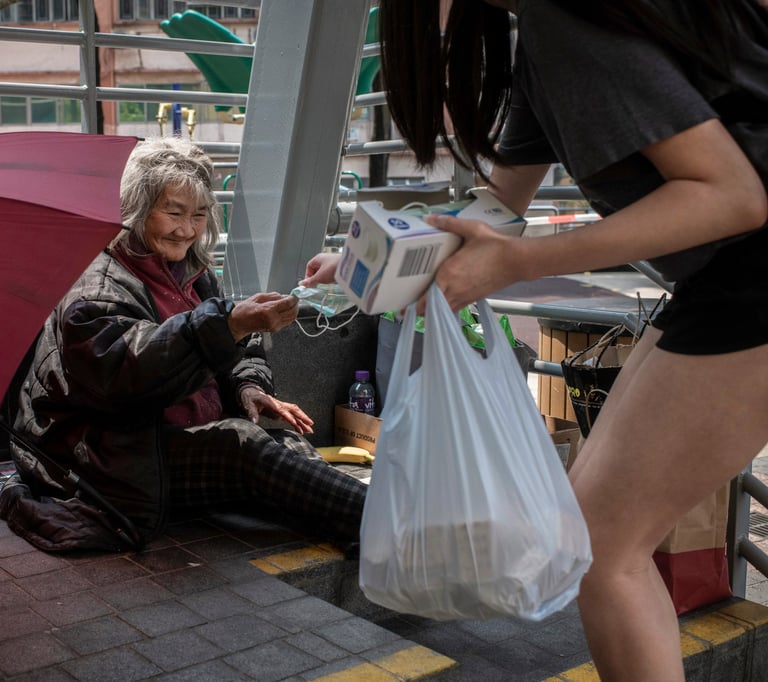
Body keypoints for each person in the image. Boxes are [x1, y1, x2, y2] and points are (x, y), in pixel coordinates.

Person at [302, 1, 768, 679]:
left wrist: (522, 261)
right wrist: (357, 270)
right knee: (602, 540)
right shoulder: (549, 40)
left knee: (605, 552)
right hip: (725, 283)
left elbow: (733, 196)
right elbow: (496, 210)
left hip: (748, 278)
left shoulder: (567, 23)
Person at [0, 136, 366, 555]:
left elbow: (234, 348)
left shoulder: (191, 268)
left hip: (173, 436)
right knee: (242, 447)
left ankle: (357, 528)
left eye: (199, 215)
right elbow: (133, 370)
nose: (187, 229)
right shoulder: (95, 288)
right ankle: (389, 529)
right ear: (135, 210)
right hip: (109, 457)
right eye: (172, 212)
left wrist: (248, 386)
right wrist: (226, 325)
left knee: (284, 445)